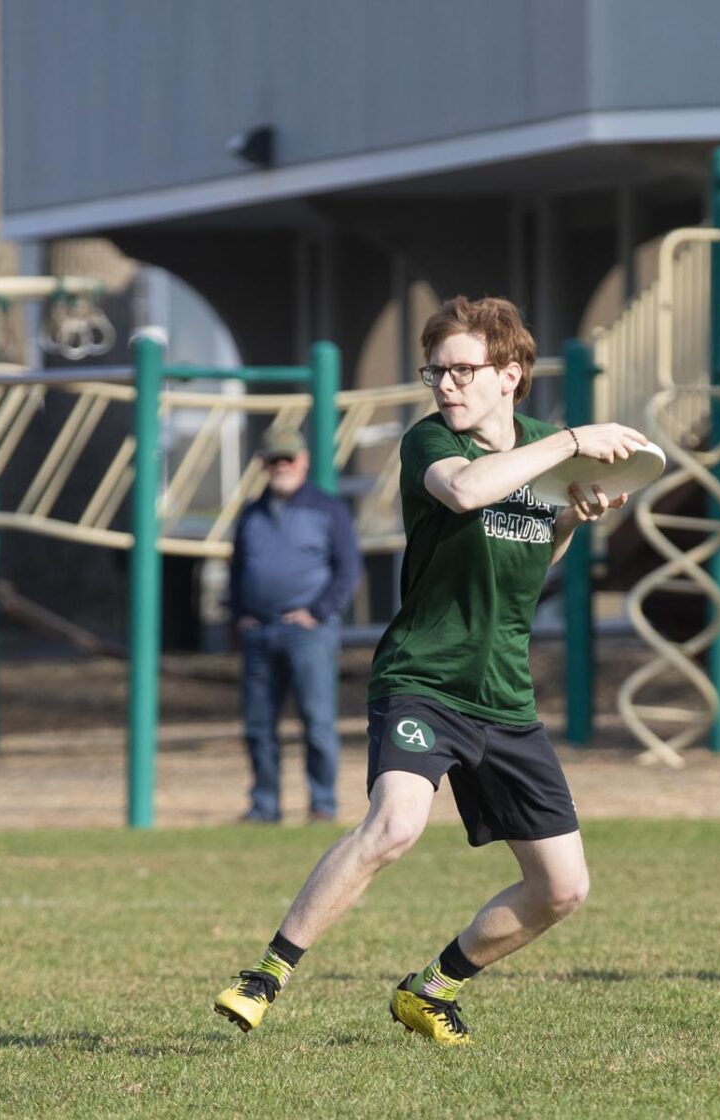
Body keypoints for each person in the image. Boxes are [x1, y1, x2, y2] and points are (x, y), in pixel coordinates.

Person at [214, 295, 650, 1045]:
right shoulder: (431, 443)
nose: (445, 385)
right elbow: (469, 490)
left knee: (562, 887)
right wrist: (577, 438)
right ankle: (267, 974)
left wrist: (571, 521)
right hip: (423, 678)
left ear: (510, 374)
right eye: (436, 371)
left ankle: (432, 989)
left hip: (504, 695)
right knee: (394, 826)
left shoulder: (540, 449)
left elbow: (528, 558)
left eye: (462, 371)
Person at [229, 425, 361, 824]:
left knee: (317, 723)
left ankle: (322, 805)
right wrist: (241, 614)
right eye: (273, 460)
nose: (281, 466)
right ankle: (264, 806)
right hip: (259, 631)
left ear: (303, 461)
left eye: (287, 458)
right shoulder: (250, 514)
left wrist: (317, 613)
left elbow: (348, 571)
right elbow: (236, 570)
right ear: (262, 464)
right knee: (258, 726)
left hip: (309, 633)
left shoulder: (329, 509)